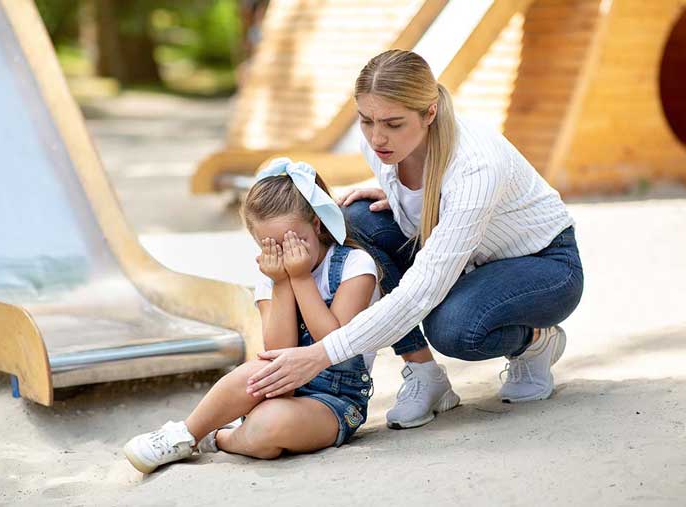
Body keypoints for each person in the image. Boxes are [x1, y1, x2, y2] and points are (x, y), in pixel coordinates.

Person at [245, 50, 585, 428]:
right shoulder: (379, 146)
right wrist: (405, 198)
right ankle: (426, 376)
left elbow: (421, 292)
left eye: (393, 123)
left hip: (543, 265)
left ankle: (535, 340)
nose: (377, 137)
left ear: (430, 113)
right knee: (353, 220)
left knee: (455, 327)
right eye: (366, 120)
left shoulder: (476, 166)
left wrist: (320, 355)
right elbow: (424, 191)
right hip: (465, 260)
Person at [123, 158, 378, 473]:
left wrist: (299, 279)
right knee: (254, 371)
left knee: (268, 429)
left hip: (336, 400)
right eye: (272, 246)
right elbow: (276, 348)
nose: (284, 256)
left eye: (293, 242)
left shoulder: (355, 266)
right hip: (280, 385)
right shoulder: (272, 278)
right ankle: (185, 434)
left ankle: (222, 438)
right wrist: (283, 283)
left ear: (316, 224)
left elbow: (334, 343)